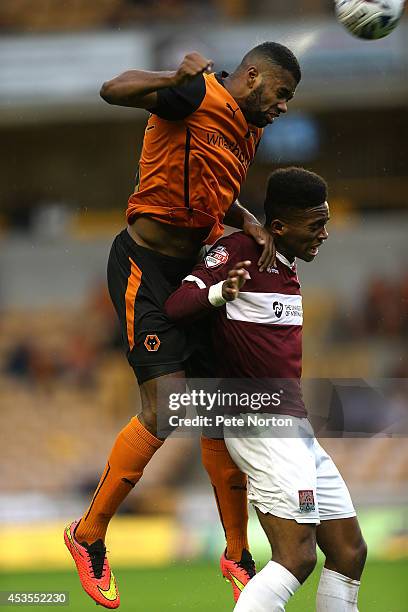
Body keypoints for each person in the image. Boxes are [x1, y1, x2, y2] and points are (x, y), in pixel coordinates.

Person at [64, 43, 301, 608]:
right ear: (251, 77)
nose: (285, 107)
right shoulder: (194, 92)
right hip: (146, 266)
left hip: (196, 271)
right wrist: (171, 74)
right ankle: (88, 535)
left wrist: (250, 221)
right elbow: (111, 89)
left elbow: (217, 191)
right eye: (282, 93)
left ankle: (237, 555)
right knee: (166, 408)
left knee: (221, 408)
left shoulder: (249, 132)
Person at [165, 167, 367, 611]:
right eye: (316, 225)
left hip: (294, 425)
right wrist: (221, 292)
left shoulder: (287, 264)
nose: (325, 234)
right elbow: (177, 306)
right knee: (295, 556)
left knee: (350, 551)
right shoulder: (238, 250)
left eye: (325, 222)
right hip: (258, 422)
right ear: (279, 227)